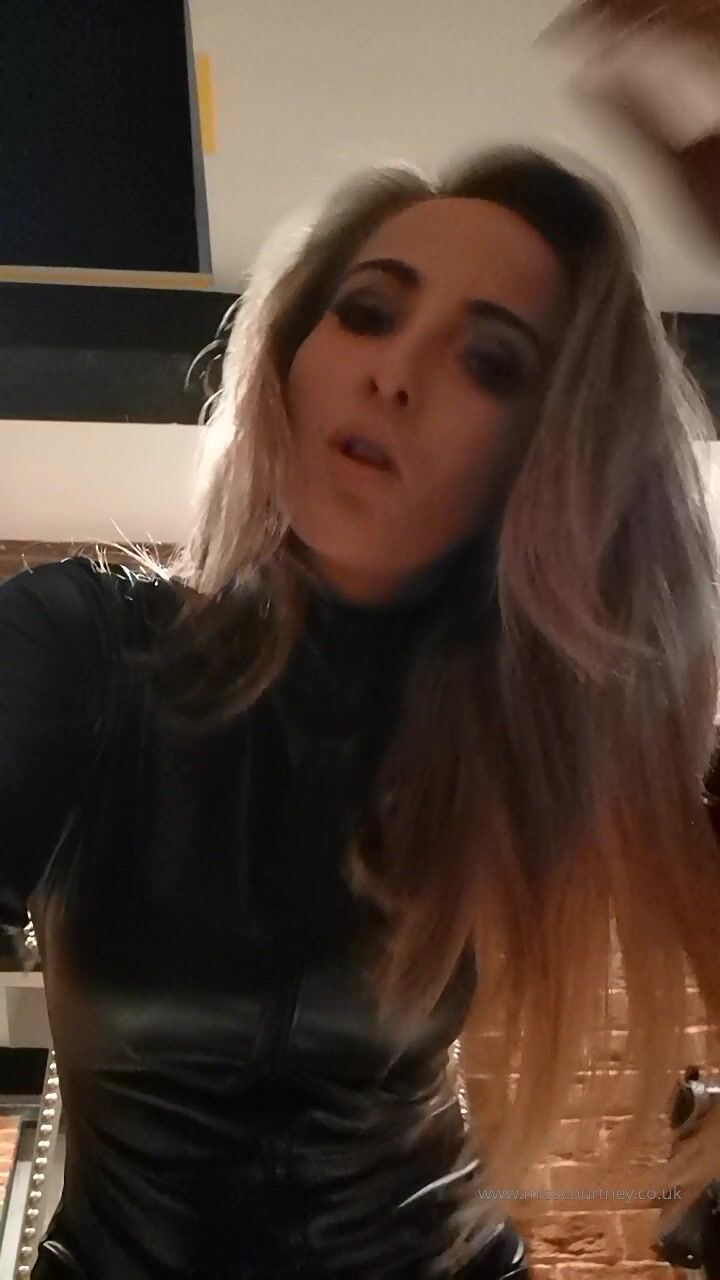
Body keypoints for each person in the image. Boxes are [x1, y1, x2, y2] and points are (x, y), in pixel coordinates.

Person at [4, 9, 720, 1279]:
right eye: (369, 311)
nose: (396, 372)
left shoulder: (536, 727)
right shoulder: (90, 651)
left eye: (489, 362)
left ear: (539, 460)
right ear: (291, 363)